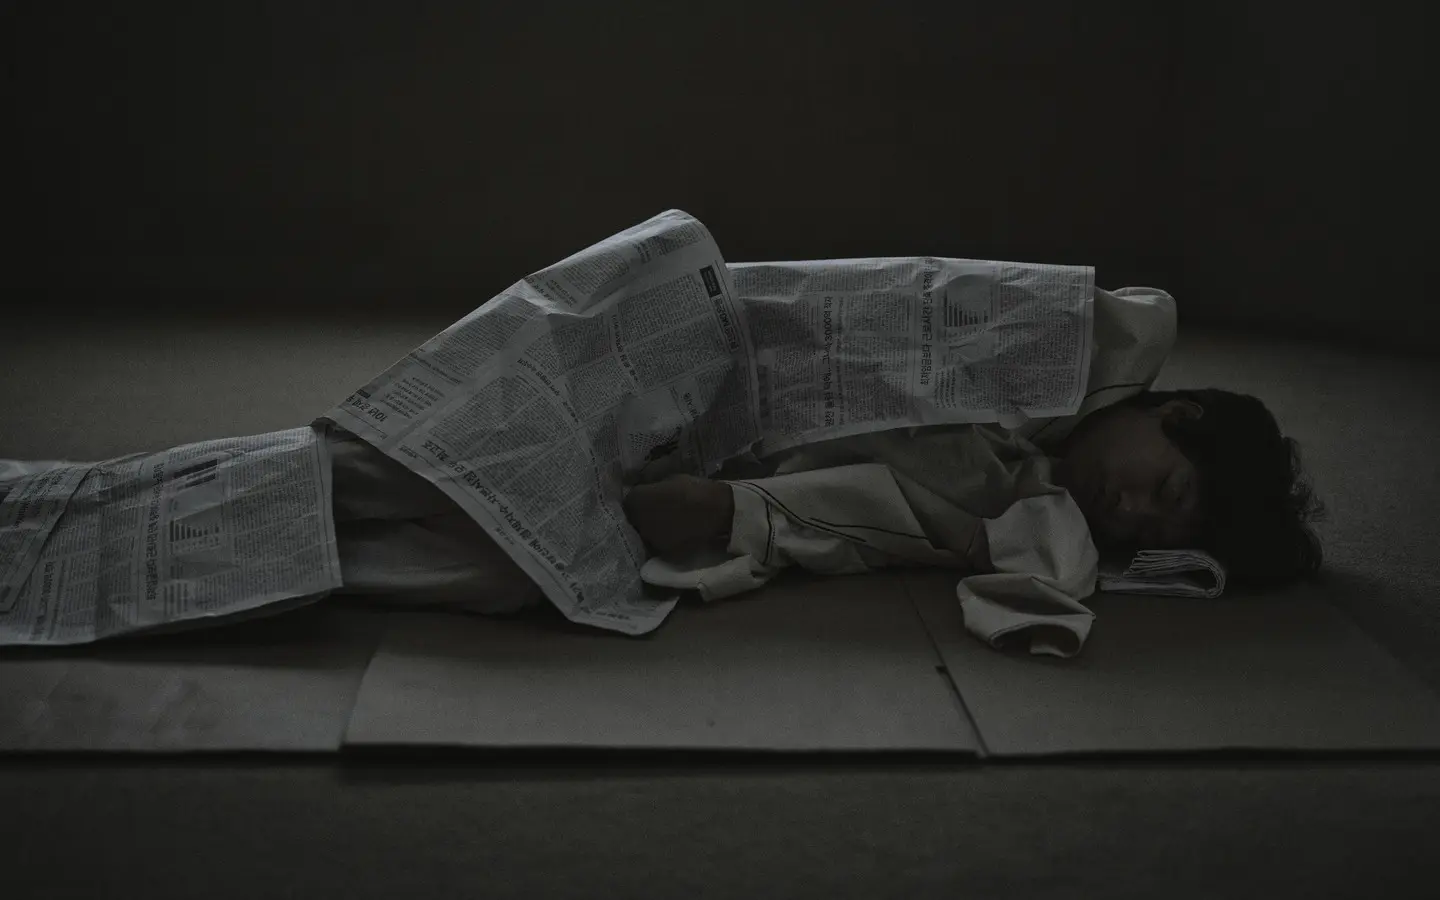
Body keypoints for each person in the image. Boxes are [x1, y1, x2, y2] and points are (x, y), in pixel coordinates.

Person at [327, 284, 1327, 657]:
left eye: (1150, 529)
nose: (1130, 509)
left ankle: (298, 557)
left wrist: (735, 514)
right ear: (1177, 416)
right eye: (1165, 487)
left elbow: (866, 525)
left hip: (702, 474)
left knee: (504, 573)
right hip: (686, 367)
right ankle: (321, 484)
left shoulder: (1026, 513)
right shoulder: (1064, 341)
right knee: (410, 459)